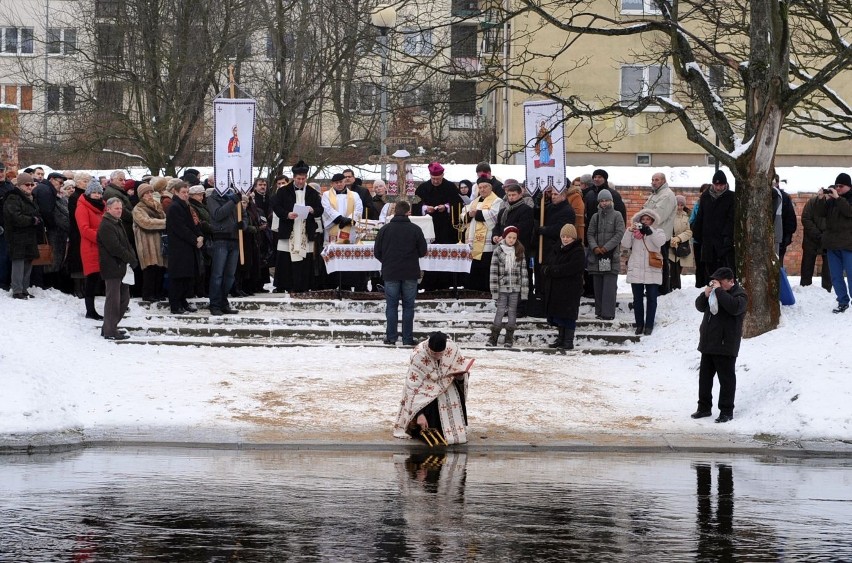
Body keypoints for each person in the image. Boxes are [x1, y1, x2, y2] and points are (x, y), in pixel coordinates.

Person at [393, 332, 472, 445]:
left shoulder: (452, 348)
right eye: (434, 354)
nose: (437, 357)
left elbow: (460, 367)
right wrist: (419, 414)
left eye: (440, 354)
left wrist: (460, 377)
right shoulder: (418, 354)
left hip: (447, 383)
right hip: (425, 389)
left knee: (453, 395)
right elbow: (413, 387)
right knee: (428, 403)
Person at [691, 267, 747, 423]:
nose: (717, 287)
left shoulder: (740, 295)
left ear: (731, 281)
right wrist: (705, 294)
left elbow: (734, 308)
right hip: (708, 343)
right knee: (705, 379)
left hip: (725, 345)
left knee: (726, 380)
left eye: (721, 284)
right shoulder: (715, 294)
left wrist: (719, 292)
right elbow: (700, 306)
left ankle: (726, 410)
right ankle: (703, 408)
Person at [374, 200, 428, 346]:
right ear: (408, 212)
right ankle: (407, 338)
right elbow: (423, 251)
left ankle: (391, 337)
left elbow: (377, 252)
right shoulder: (415, 229)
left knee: (391, 306)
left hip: (391, 272)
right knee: (408, 306)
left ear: (394, 212)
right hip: (410, 272)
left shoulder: (385, 229)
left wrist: (387, 262)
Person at [272, 162, 323, 293]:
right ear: (294, 178)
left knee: (305, 259)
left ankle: (303, 285)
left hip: (305, 230)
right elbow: (276, 207)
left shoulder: (312, 192)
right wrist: (287, 214)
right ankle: (286, 285)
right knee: (286, 257)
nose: (301, 181)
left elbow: (320, 209)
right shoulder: (283, 191)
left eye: (303, 178)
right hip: (289, 228)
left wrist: (312, 210)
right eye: (298, 178)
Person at [414, 162, 463, 290]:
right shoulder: (423, 188)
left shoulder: (450, 187)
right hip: (428, 227)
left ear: (442, 175)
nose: (436, 181)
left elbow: (457, 204)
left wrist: (446, 207)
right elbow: (415, 205)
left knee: (445, 253)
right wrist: (425, 208)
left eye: (438, 179)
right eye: (433, 179)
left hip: (446, 227)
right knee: (429, 254)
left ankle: (446, 281)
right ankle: (429, 281)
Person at [97, 198, 138, 340]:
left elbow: (126, 244)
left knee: (123, 299)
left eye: (120, 208)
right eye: (116, 208)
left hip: (121, 266)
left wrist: (132, 256)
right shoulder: (106, 225)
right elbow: (115, 248)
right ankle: (109, 331)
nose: (119, 211)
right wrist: (130, 258)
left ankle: (109, 327)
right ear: (108, 209)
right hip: (112, 267)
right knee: (113, 301)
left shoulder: (117, 222)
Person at [622, 208, 666, 335]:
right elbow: (625, 244)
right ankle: (639, 325)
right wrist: (629, 231)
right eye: (643, 219)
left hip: (652, 269)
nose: (645, 222)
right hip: (636, 269)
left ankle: (649, 325)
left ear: (652, 221)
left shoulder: (658, 231)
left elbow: (660, 242)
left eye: (648, 219)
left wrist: (649, 230)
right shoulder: (635, 233)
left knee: (652, 298)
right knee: (637, 299)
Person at [541, 223, 585, 349]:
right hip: (557, 288)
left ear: (573, 238)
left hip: (570, 289)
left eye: (568, 237)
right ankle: (561, 338)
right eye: (563, 236)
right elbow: (547, 263)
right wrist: (546, 269)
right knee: (559, 315)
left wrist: (552, 270)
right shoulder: (557, 249)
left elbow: (571, 268)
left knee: (569, 316)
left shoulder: (578, 250)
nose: (565, 239)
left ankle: (568, 340)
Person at [814, 173, 852, 313]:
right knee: (836, 276)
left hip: (848, 245)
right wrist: (820, 199)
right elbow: (820, 213)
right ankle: (842, 301)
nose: (838, 188)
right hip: (832, 245)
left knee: (851, 275)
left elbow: (849, 212)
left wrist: (837, 198)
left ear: (849, 186)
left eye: (841, 186)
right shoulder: (832, 201)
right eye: (836, 186)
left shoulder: (845, 199)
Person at [487, 226, 529, 348]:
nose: (511, 240)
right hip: (502, 288)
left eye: (514, 238)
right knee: (500, 311)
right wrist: (494, 291)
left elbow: (524, 272)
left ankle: (509, 338)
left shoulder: (520, 250)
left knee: (512, 312)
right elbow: (494, 272)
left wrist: (524, 291)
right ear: (505, 237)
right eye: (509, 237)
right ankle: (493, 337)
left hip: (515, 288)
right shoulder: (498, 251)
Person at [586, 189, 624, 320]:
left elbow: (619, 233)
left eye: (606, 200)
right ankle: (599, 311)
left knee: (609, 286)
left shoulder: (617, 215)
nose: (604, 203)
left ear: (611, 201)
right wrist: (595, 247)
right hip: (596, 256)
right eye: (601, 201)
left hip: (611, 255)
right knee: (598, 286)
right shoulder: (595, 217)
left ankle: (608, 313)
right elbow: (590, 234)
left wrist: (606, 248)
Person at [3, 172, 42, 299]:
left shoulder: (31, 197)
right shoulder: (13, 197)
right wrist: (32, 220)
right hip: (17, 235)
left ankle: (24, 288)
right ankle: (17, 290)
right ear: (20, 185)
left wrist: (38, 219)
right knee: (18, 262)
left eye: (32, 184)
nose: (30, 187)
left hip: (29, 235)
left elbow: (36, 212)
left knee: (28, 261)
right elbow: (15, 217)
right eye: (27, 184)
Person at [167, 181, 204, 314]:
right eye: (183, 192)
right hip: (178, 247)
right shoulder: (174, 207)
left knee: (186, 276)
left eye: (187, 192)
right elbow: (180, 228)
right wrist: (195, 239)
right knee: (178, 277)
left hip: (187, 246)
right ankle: (175, 304)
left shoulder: (185, 206)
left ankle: (182, 301)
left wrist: (200, 235)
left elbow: (193, 224)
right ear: (175, 192)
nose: (186, 195)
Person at [692, 170, 736, 281]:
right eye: (716, 185)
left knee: (724, 270)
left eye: (721, 185)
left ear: (725, 184)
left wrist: (727, 236)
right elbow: (700, 216)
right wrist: (697, 233)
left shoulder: (731, 197)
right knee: (709, 271)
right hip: (707, 240)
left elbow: (731, 219)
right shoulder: (706, 196)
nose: (719, 187)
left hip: (723, 240)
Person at [207, 184, 243, 316]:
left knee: (229, 275)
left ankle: (224, 302)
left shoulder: (234, 198)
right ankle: (215, 304)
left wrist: (243, 223)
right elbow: (218, 214)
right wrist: (232, 201)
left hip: (234, 240)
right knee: (218, 275)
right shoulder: (212, 199)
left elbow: (243, 215)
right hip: (220, 239)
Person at [132, 183, 167, 302]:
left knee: (160, 268)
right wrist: (165, 223)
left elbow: (161, 218)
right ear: (141, 195)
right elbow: (146, 223)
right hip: (146, 242)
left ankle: (158, 292)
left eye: (151, 192)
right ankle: (148, 294)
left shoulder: (157, 205)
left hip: (160, 240)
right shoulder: (138, 208)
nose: (149, 195)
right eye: (146, 193)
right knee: (150, 268)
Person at [76, 179, 106, 319]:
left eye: (99, 192)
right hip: (91, 246)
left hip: (104, 247)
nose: (96, 195)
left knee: (104, 277)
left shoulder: (103, 206)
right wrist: (101, 238)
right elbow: (84, 229)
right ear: (88, 193)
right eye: (94, 192)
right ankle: (90, 310)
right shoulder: (82, 207)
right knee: (92, 278)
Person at [465, 180, 502, 291]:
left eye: (485, 187)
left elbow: (494, 216)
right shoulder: (474, 201)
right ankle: (473, 289)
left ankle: (486, 290)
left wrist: (477, 213)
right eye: (480, 187)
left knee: (486, 266)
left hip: (487, 240)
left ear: (490, 188)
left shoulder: (497, 200)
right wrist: (468, 214)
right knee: (474, 266)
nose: (482, 189)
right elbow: (464, 214)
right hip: (473, 240)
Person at [644, 172, 677, 295]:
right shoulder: (656, 194)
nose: (653, 182)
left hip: (660, 236)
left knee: (660, 263)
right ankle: (653, 289)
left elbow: (657, 216)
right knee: (652, 263)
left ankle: (662, 290)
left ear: (663, 181)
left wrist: (645, 221)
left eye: (656, 180)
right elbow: (645, 210)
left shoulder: (667, 195)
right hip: (651, 235)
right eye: (652, 179)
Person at [799, 192, 832, 290]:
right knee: (807, 266)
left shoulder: (836, 204)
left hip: (828, 240)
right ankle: (804, 288)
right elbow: (805, 218)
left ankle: (827, 289)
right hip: (811, 239)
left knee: (828, 267)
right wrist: (817, 234)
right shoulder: (812, 203)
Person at [668, 195, 694, 291]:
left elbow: (689, 231)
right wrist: (671, 240)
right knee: (671, 269)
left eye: (681, 205)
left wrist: (679, 238)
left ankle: (676, 289)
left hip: (681, 247)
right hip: (670, 247)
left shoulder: (687, 216)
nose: (679, 207)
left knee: (678, 269)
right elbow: (664, 229)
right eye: (677, 204)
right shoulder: (668, 216)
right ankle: (672, 288)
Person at [772, 174, 797, 267]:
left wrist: (787, 235)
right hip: (778, 235)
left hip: (780, 236)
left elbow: (790, 218)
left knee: (778, 264)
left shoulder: (783, 197)